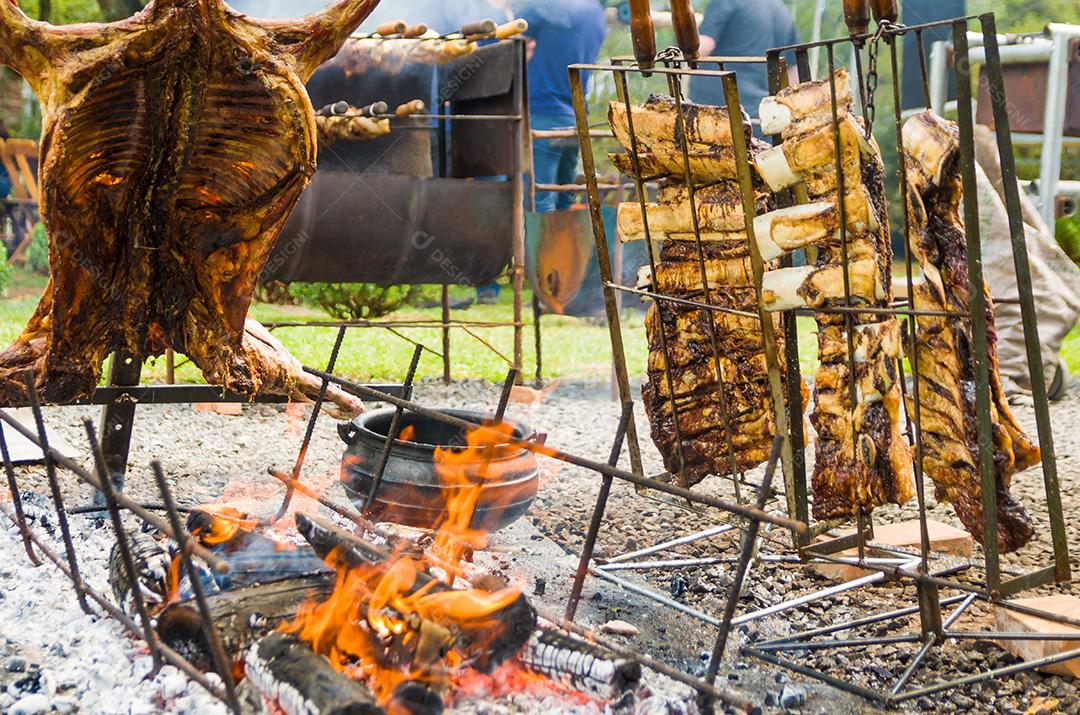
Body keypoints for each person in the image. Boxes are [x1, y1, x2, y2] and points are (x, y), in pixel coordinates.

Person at [515, 0, 607, 213]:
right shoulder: (596, 14)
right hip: (575, 117)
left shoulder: (550, 4)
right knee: (565, 197)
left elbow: (506, 32)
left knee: (539, 199)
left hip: (543, 113)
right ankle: (565, 236)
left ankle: (538, 237)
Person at [689, 0, 799, 125]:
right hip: (764, 116)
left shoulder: (726, 2)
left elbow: (703, 47)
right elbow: (794, 70)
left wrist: (682, 27)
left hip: (720, 114)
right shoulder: (782, 10)